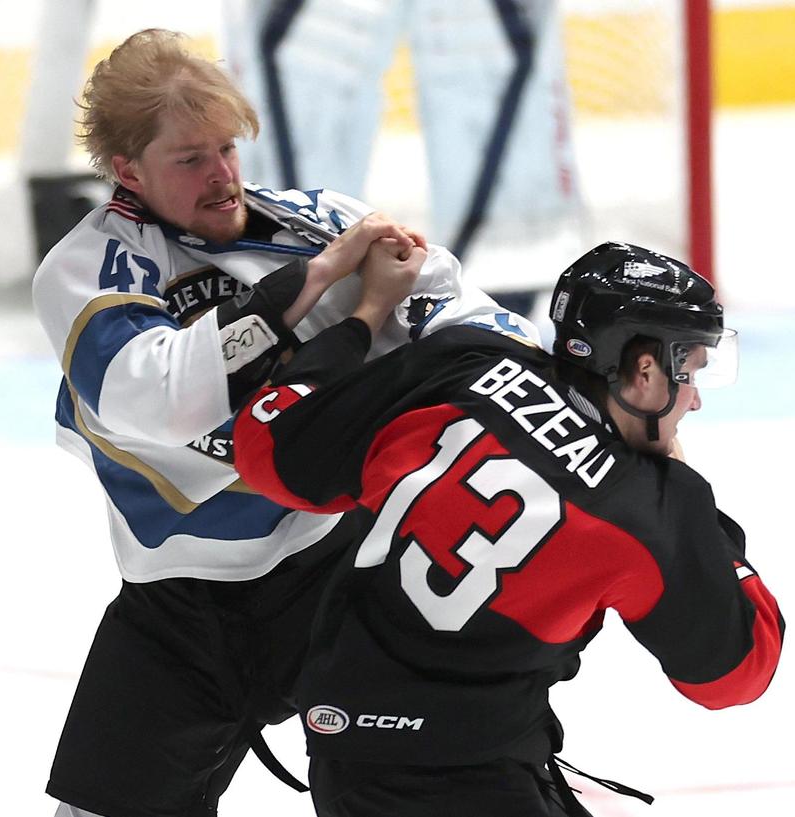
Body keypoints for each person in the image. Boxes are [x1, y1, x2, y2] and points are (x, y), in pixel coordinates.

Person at [31, 28, 539, 817]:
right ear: (128, 170)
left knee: (442, 782)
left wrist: (514, 370)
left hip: (342, 570)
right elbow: (158, 398)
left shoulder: (316, 219)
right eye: (190, 158)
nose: (222, 175)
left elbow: (468, 317)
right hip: (182, 603)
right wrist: (321, 282)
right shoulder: (87, 269)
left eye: (227, 148)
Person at [233, 241, 786, 816]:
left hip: (343, 753)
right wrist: (692, 502)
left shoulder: (466, 359)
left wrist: (364, 317)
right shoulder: (649, 507)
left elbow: (265, 450)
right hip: (474, 776)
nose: (694, 401)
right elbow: (737, 674)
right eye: (691, 372)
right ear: (645, 371)